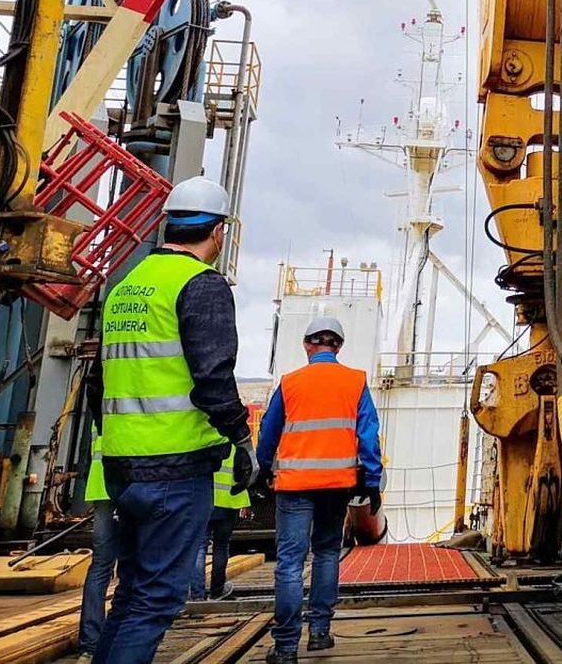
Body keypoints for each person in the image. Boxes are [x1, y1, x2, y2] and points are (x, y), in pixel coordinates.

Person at [90, 176, 259, 664]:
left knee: (132, 593)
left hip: (122, 465)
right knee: (158, 598)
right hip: (176, 467)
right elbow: (212, 378)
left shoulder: (126, 287)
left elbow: (98, 381)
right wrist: (240, 438)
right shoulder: (200, 286)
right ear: (220, 232)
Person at [256, 315, 383, 662]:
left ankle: (284, 648)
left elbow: (269, 430)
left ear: (307, 345)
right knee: (327, 553)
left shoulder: (290, 382)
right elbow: (368, 433)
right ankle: (320, 633)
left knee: (290, 564)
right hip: (336, 486)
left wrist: (261, 468)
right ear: (338, 346)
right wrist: (372, 481)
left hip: (295, 485)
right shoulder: (355, 382)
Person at [76, 432, 119, 662]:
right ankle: (120, 637)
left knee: (101, 565)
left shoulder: (104, 399)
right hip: (133, 483)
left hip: (101, 486)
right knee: (133, 565)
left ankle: (90, 644)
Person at [190, 453, 248, 601]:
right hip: (228, 501)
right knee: (221, 546)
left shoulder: (203, 440)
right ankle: (217, 590)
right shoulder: (234, 442)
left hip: (203, 499)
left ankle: (197, 594)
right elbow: (245, 471)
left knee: (199, 546)